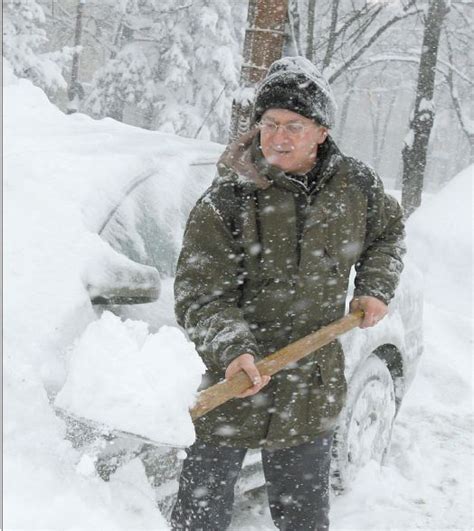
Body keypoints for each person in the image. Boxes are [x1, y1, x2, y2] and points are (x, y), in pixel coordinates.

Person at [171, 56, 405, 531]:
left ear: (321, 131)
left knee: (303, 519)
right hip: (233, 381)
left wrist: (374, 287)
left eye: (294, 125)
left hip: (310, 381)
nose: (278, 137)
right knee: (201, 516)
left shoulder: (356, 186)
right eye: (270, 123)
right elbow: (200, 292)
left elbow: (388, 234)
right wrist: (233, 349)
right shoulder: (228, 198)